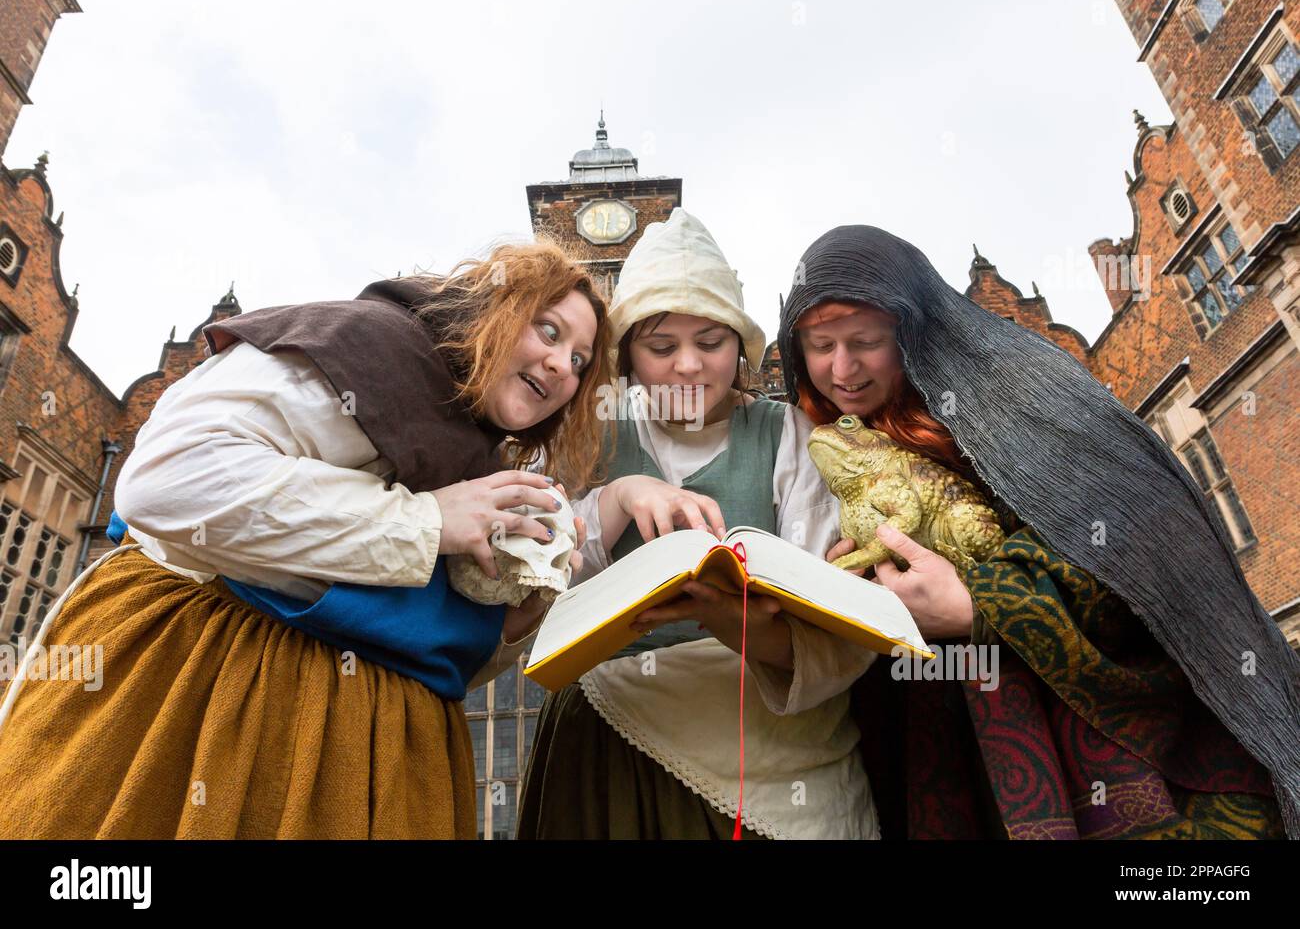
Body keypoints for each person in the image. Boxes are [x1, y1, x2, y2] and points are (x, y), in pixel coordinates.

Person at [0, 239, 609, 838]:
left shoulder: (479, 450)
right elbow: (168, 479)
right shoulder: (366, 347)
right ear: (494, 309)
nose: (563, 366)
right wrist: (427, 522)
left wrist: (505, 628)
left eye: (581, 361)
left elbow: (408, 644)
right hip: (202, 698)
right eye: (549, 331)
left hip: (378, 768)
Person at [777, 223, 1300, 839]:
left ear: (912, 326)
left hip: (1097, 746)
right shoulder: (812, 447)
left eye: (865, 340)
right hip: (940, 754)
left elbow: (1148, 542)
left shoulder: (1017, 392)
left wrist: (982, 605)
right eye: (818, 345)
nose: (842, 369)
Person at [517, 209, 878, 840]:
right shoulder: (583, 430)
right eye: (661, 347)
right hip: (610, 742)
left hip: (766, 752)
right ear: (625, 356)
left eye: (710, 343)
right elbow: (524, 551)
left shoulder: (789, 436)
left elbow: (832, 614)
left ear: (741, 348)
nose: (688, 365)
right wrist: (618, 495)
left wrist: (744, 622)